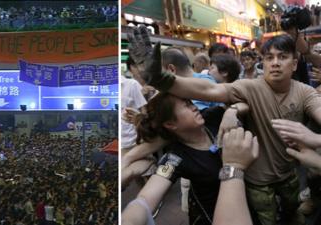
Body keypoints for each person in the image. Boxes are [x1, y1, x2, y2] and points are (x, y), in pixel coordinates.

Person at [129, 26, 321, 225]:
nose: (275, 63)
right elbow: (209, 89)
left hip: (290, 174)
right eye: (269, 58)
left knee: (293, 214)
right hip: (257, 183)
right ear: (263, 63)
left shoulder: (305, 92)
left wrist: (315, 138)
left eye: (282, 57)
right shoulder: (250, 87)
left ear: (295, 64)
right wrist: (161, 78)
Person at [122, 91, 246, 225]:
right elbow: (144, 200)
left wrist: (232, 111)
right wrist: (128, 173)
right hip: (216, 215)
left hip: (248, 200)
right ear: (170, 124)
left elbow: (246, 104)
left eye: (191, 102)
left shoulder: (213, 116)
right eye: (186, 106)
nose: (194, 107)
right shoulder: (175, 157)